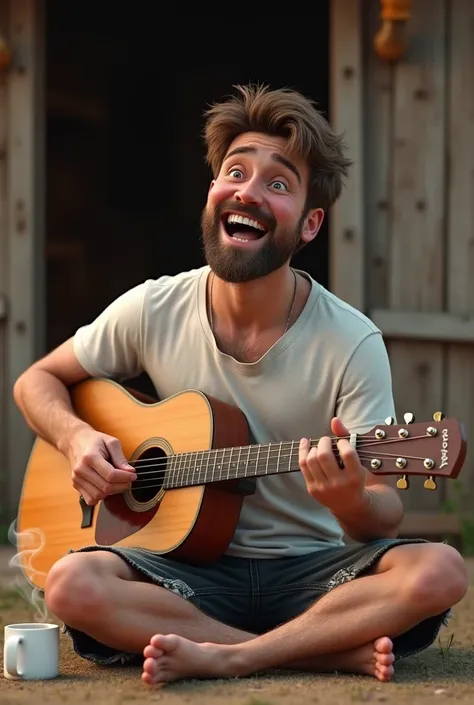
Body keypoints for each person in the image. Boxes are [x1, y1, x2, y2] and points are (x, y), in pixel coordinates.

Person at [14, 84, 467, 686]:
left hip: (312, 576)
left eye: (277, 183)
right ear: (212, 194)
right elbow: (36, 380)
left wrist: (349, 499)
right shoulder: (154, 307)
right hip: (181, 577)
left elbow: (382, 512)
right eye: (234, 171)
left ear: (310, 224)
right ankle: (313, 651)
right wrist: (76, 439)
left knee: (440, 571)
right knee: (73, 582)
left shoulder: (351, 341)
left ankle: (231, 656)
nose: (247, 191)